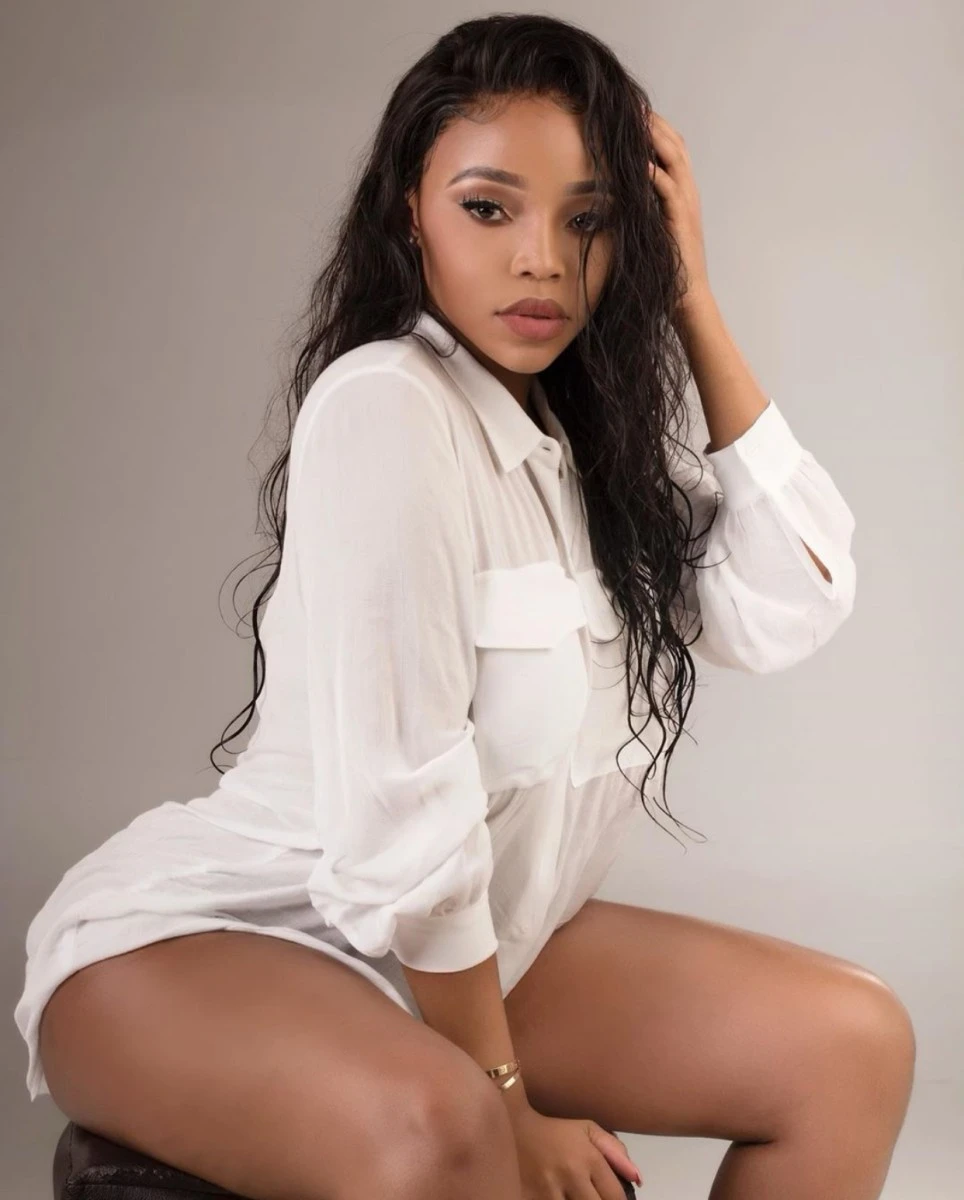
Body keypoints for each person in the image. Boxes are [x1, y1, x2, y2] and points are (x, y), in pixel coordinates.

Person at [15, 13, 914, 1200]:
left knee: (848, 1049)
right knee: (450, 1134)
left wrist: (691, 296)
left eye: (587, 220)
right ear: (411, 215)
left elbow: (790, 594)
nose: (541, 259)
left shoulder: (579, 449)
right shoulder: (385, 408)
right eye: (489, 208)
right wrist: (507, 1100)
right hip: (228, 939)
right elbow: (407, 822)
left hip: (479, 949)